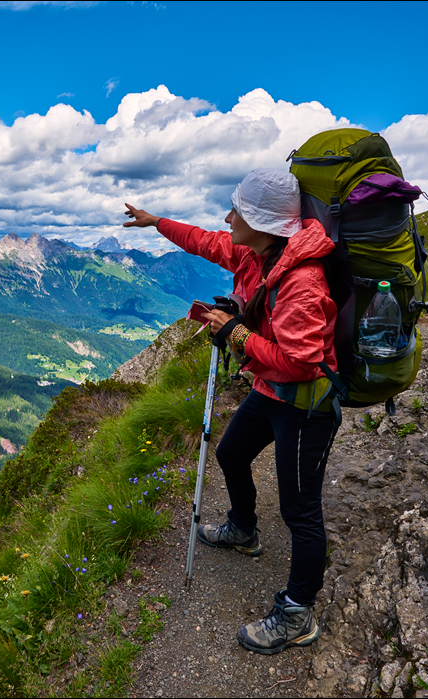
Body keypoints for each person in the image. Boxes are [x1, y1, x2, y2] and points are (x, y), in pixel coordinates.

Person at [123, 168, 339, 655]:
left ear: (263, 223)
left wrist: (236, 334)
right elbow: (205, 240)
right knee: (232, 452)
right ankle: (244, 529)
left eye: (237, 211)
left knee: (300, 511)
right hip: (271, 389)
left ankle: (297, 612)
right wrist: (155, 221)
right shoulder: (256, 253)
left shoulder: (302, 282)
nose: (228, 217)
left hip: (305, 405)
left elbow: (301, 363)